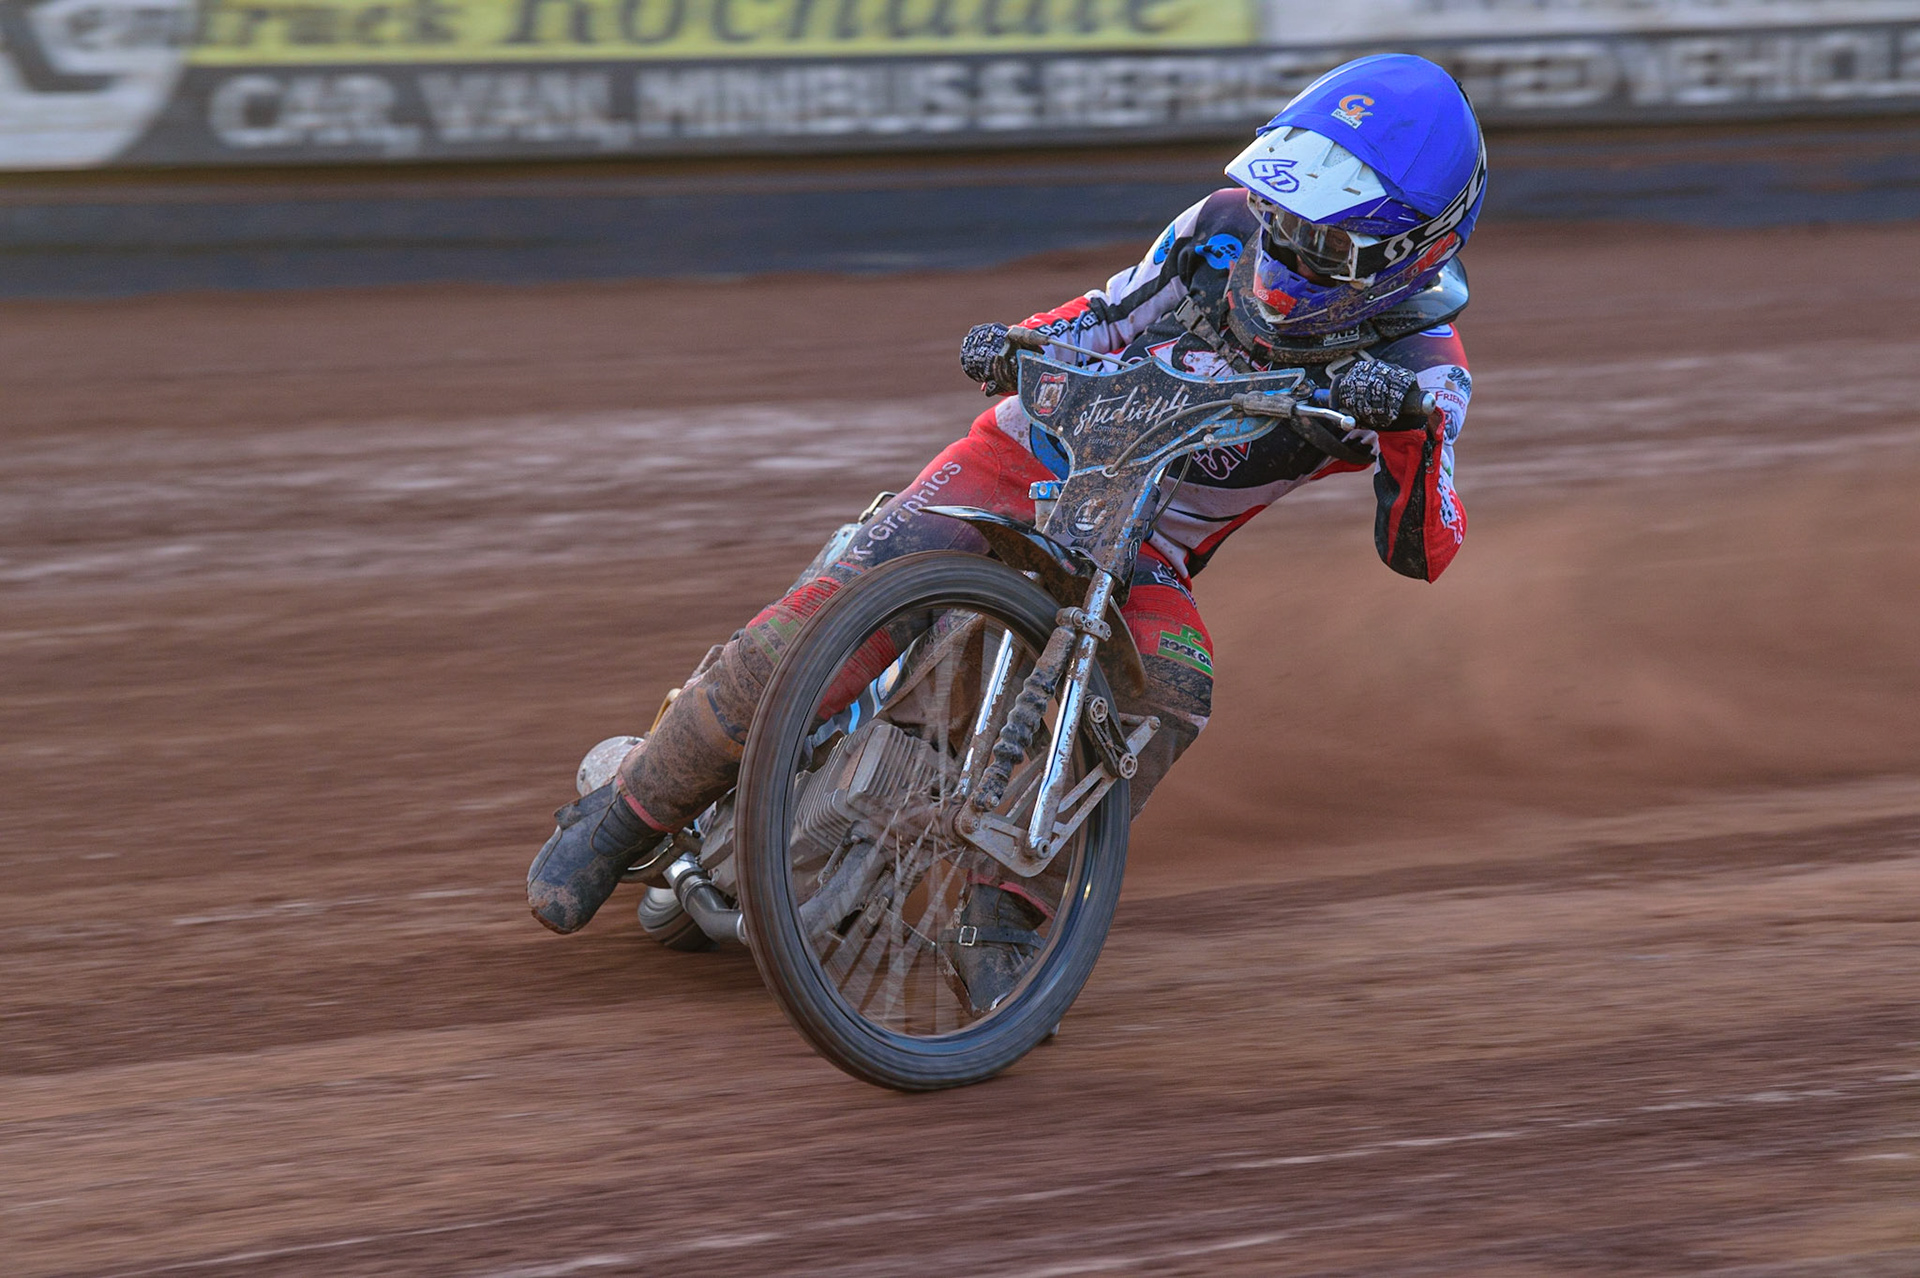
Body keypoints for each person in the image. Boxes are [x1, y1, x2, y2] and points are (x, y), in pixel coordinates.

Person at [527, 54, 1487, 995]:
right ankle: (622, 816)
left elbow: (1423, 549)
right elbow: (1106, 315)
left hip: (1142, 543)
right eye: (1280, 212)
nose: (1283, 246)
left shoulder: (1426, 371)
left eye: (1320, 240)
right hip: (1025, 457)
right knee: (841, 607)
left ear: (1415, 254)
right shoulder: (1220, 228)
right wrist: (1020, 342)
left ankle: (1008, 910)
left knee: (1171, 689)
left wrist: (1411, 426)